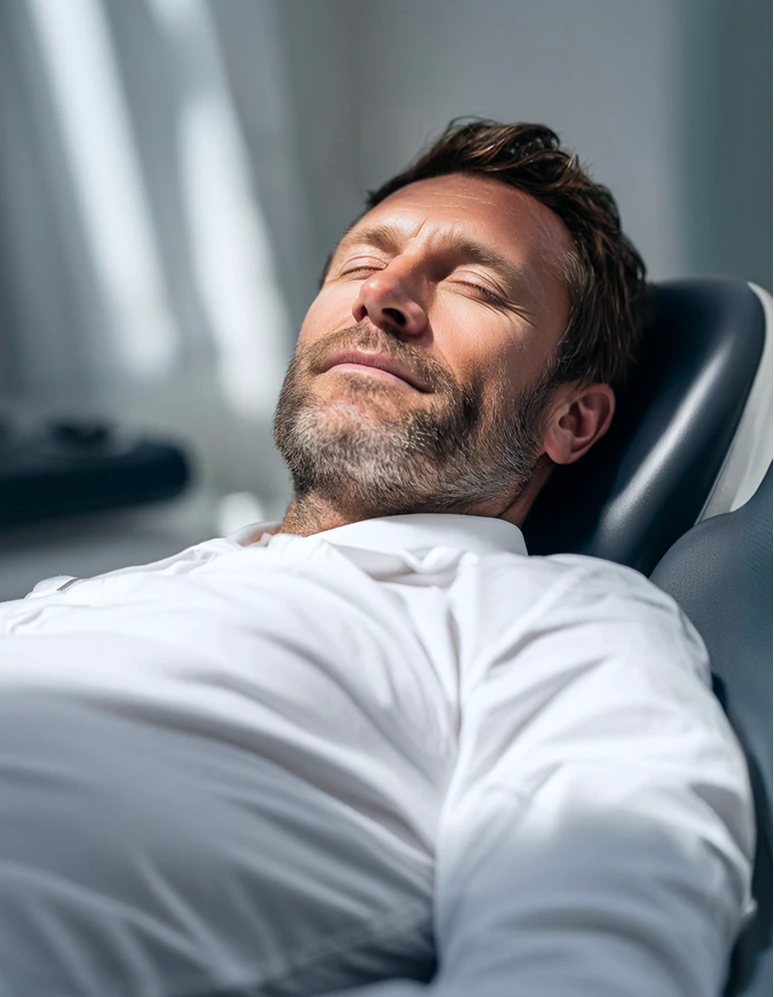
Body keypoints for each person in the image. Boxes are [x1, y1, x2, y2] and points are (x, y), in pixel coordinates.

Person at [0, 121, 753, 997]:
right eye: (359, 265)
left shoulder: (555, 619)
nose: (385, 296)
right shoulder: (115, 593)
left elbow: (600, 936)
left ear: (572, 420)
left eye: (475, 283)